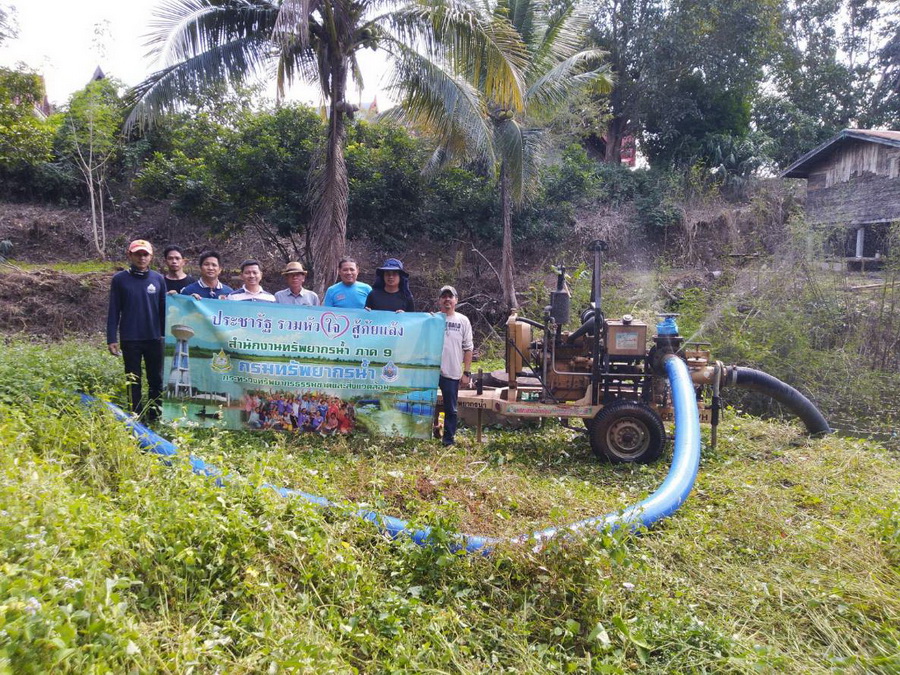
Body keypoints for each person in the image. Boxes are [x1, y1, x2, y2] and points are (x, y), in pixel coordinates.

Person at [107, 239, 167, 422]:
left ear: (151, 256)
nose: (142, 258)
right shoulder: (120, 279)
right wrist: (111, 338)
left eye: (145, 254)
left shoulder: (158, 279)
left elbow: (164, 310)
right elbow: (114, 309)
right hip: (130, 338)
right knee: (133, 380)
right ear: (130, 255)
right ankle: (137, 418)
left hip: (154, 338)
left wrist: (167, 335)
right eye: (138, 254)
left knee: (156, 379)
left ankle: (155, 416)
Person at [437, 285, 473, 446]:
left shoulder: (463, 321)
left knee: (450, 408)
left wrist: (467, 372)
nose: (447, 299)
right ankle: (427, 432)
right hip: (431, 371)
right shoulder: (432, 319)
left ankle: (448, 440)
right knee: (426, 403)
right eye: (444, 296)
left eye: (450, 296)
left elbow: (468, 348)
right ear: (439, 300)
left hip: (451, 371)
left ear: (456, 300)